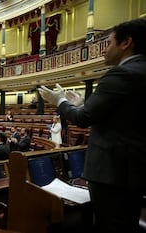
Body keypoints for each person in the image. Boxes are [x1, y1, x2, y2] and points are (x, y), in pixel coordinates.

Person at [38, 18, 146, 233]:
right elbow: (119, 117)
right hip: (134, 171)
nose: (104, 49)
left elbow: (83, 119)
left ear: (126, 43)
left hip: (112, 174)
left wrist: (59, 101)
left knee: (111, 226)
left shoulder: (122, 73)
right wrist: (81, 105)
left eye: (109, 42)